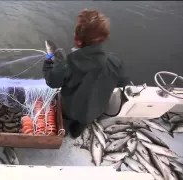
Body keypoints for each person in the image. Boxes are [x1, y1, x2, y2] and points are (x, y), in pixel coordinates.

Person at [43, 9, 129, 138]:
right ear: (103, 38)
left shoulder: (69, 63)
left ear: (78, 41)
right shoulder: (115, 61)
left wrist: (48, 63)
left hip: (70, 110)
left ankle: (64, 131)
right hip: (96, 110)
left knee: (65, 118)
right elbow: (123, 81)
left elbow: (52, 81)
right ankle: (76, 133)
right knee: (82, 123)